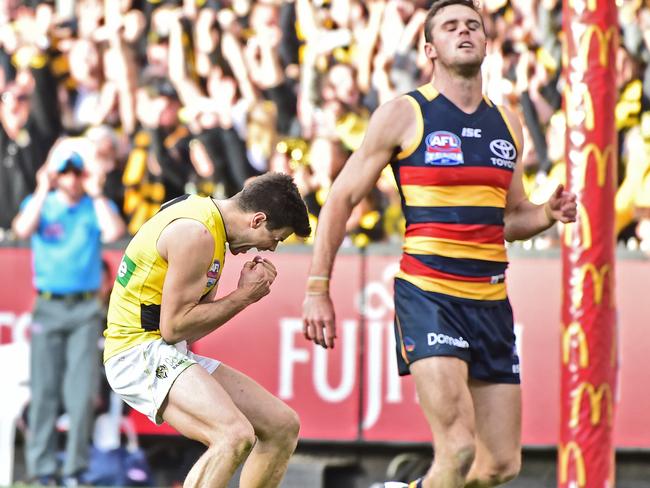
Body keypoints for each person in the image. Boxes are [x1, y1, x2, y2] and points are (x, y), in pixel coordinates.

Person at [302, 1, 577, 487]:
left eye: (473, 25)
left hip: (491, 302)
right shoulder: (404, 114)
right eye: (450, 26)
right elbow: (340, 199)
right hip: (430, 296)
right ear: (429, 48)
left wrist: (546, 215)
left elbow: (511, 218)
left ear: (487, 42)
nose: (465, 31)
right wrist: (317, 287)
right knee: (458, 447)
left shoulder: (508, 123)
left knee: (499, 466)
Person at [103, 172, 311, 488]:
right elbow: (174, 328)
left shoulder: (205, 219)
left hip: (164, 349)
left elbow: (189, 330)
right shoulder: (197, 234)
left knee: (282, 426)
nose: (271, 249)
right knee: (233, 435)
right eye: (276, 238)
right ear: (257, 220)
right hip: (137, 352)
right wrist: (244, 297)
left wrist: (242, 295)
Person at [12, 145, 126, 486]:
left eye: (78, 172)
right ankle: (43, 469)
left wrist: (98, 192)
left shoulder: (93, 207)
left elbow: (114, 231)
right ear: (55, 175)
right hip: (49, 304)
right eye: (66, 172)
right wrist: (41, 187)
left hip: (84, 309)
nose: (72, 179)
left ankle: (75, 470)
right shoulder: (43, 204)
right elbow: (21, 228)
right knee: (44, 391)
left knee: (80, 393)